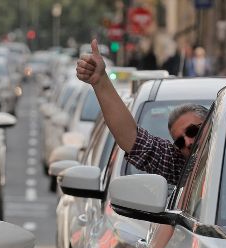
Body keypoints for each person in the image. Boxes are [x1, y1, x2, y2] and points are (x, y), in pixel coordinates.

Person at [76, 39, 208, 185]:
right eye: (180, 142)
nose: (188, 142)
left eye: (192, 131)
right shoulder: (183, 168)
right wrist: (100, 81)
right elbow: (132, 139)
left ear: (211, 125)